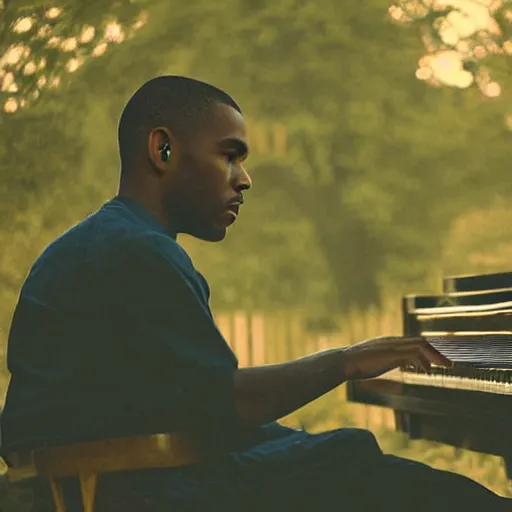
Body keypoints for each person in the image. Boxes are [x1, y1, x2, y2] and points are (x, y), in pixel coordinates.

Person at [0, 75, 509, 512]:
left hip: (99, 483)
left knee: (339, 456)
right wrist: (346, 361)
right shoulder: (136, 252)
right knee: (352, 462)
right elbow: (225, 404)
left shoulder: (105, 241)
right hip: (134, 491)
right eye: (229, 156)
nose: (244, 179)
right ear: (164, 150)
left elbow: (184, 404)